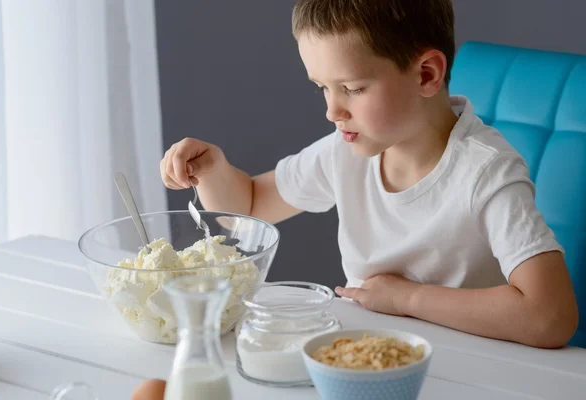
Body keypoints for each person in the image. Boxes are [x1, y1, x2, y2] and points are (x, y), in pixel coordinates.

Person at [160, 0, 578, 349]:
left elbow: (550, 316)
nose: (332, 111)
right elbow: (248, 207)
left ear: (426, 74)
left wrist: (408, 298)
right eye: (322, 87)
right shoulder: (346, 151)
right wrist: (214, 171)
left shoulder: (486, 171)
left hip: (469, 365)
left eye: (353, 89)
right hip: (367, 355)